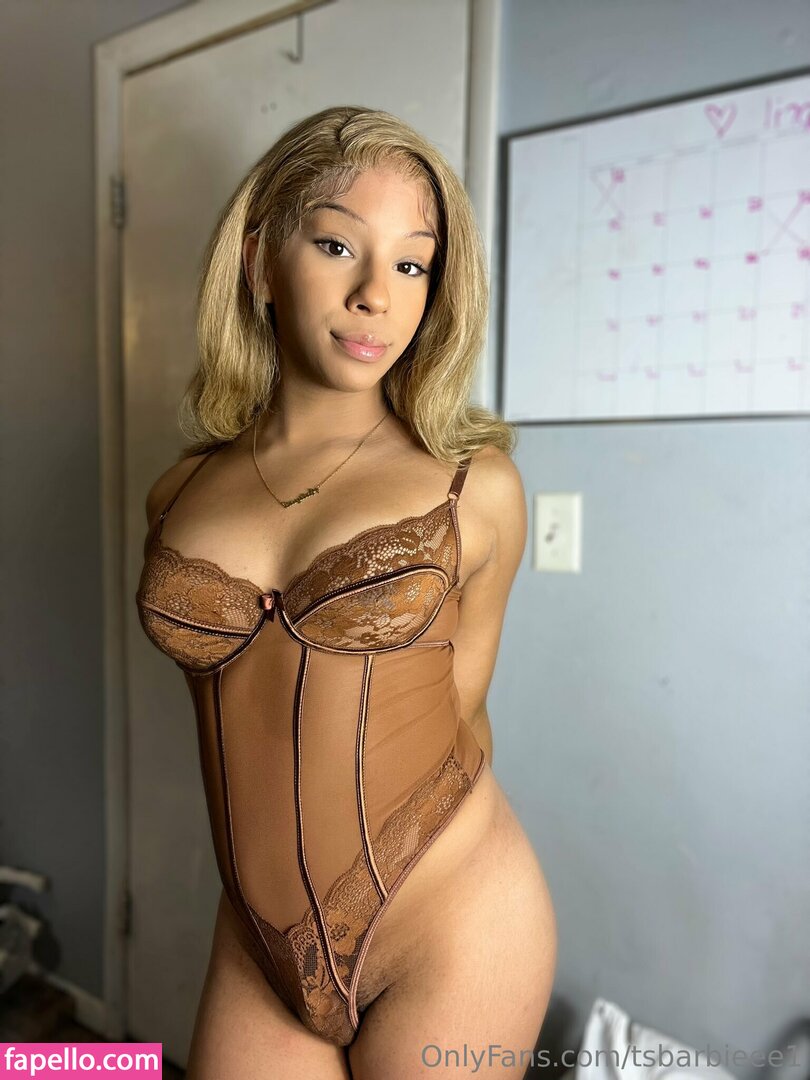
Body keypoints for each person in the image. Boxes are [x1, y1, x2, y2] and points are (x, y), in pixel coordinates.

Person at [136, 105, 557, 1080]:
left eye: (412, 264)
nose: (376, 294)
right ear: (259, 263)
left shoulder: (474, 487)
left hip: (452, 922)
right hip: (258, 940)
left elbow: (465, 712)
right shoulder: (177, 493)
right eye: (336, 245)